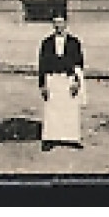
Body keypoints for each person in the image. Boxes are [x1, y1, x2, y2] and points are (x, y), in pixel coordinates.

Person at [37, 14, 85, 149]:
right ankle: (50, 139)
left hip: (68, 78)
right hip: (52, 78)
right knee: (52, 109)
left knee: (69, 109)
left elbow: (79, 64)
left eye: (61, 23)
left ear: (66, 24)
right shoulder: (46, 43)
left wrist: (77, 82)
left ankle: (71, 139)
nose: (58, 26)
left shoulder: (74, 43)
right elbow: (42, 64)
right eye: (55, 23)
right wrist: (42, 84)